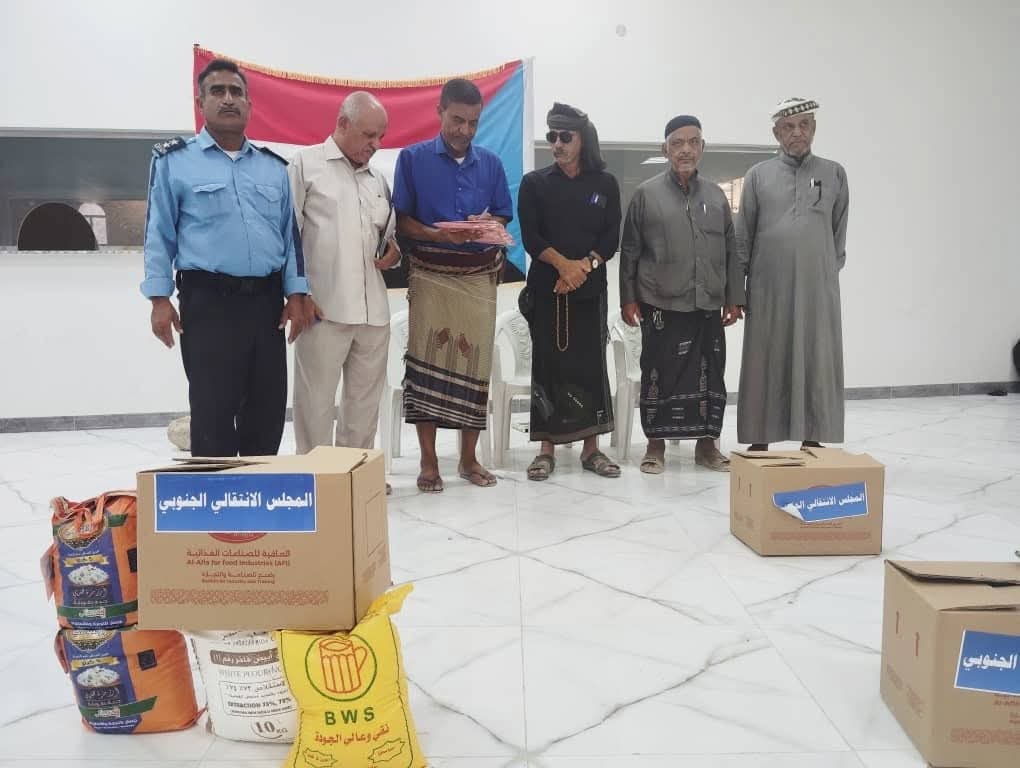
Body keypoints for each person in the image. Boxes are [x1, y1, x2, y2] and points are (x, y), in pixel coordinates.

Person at [142, 58, 310, 457]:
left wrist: (296, 294)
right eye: (217, 91)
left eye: (237, 92)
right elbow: (158, 234)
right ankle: (215, 497)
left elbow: (289, 237)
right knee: (213, 413)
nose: (228, 99)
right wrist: (159, 299)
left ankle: (258, 494)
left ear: (249, 105)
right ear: (201, 103)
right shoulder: (174, 162)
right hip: (209, 303)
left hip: (266, 305)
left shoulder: (273, 168)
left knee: (266, 412)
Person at [391, 78, 514, 492]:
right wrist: (438, 234)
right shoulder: (413, 159)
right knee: (425, 368)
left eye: (473, 123)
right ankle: (428, 462)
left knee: (473, 367)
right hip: (429, 275)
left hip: (479, 280)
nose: (465, 130)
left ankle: (468, 459)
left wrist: (487, 224)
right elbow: (401, 220)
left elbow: (503, 214)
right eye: (457, 120)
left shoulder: (491, 164)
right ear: (439, 112)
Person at [620, 115, 741, 473]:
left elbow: (731, 250)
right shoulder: (646, 195)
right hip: (661, 304)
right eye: (677, 143)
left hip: (707, 305)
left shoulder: (717, 197)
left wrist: (734, 297)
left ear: (702, 147)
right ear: (665, 149)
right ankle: (654, 447)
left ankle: (707, 447)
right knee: (659, 376)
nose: (685, 149)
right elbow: (630, 250)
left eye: (693, 142)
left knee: (710, 376)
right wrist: (628, 298)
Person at [288, 92, 400, 464]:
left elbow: (387, 237)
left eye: (381, 136)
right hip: (323, 309)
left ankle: (355, 477)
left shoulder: (378, 179)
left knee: (364, 407)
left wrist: (395, 253)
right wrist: (297, 293)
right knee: (315, 405)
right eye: (369, 135)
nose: (376, 144)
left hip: (374, 314)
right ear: (342, 124)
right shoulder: (306, 166)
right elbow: (287, 236)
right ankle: (317, 478)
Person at [735, 98, 849, 451]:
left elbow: (838, 234)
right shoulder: (758, 176)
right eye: (788, 127)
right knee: (764, 359)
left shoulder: (834, 173)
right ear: (776, 133)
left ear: (814, 128)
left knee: (817, 356)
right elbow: (743, 236)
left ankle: (813, 437)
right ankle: (759, 439)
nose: (797, 132)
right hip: (768, 289)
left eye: (804, 125)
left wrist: (822, 271)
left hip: (817, 289)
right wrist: (738, 290)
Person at [517, 102, 622, 481]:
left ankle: (591, 449)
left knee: (590, 366)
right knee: (549, 367)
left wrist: (583, 268)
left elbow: (610, 237)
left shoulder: (604, 184)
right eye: (552, 136)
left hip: (589, 293)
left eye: (565, 136)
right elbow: (531, 237)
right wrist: (564, 266)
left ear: (582, 140)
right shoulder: (535, 183)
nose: (557, 144)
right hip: (548, 292)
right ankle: (546, 449)